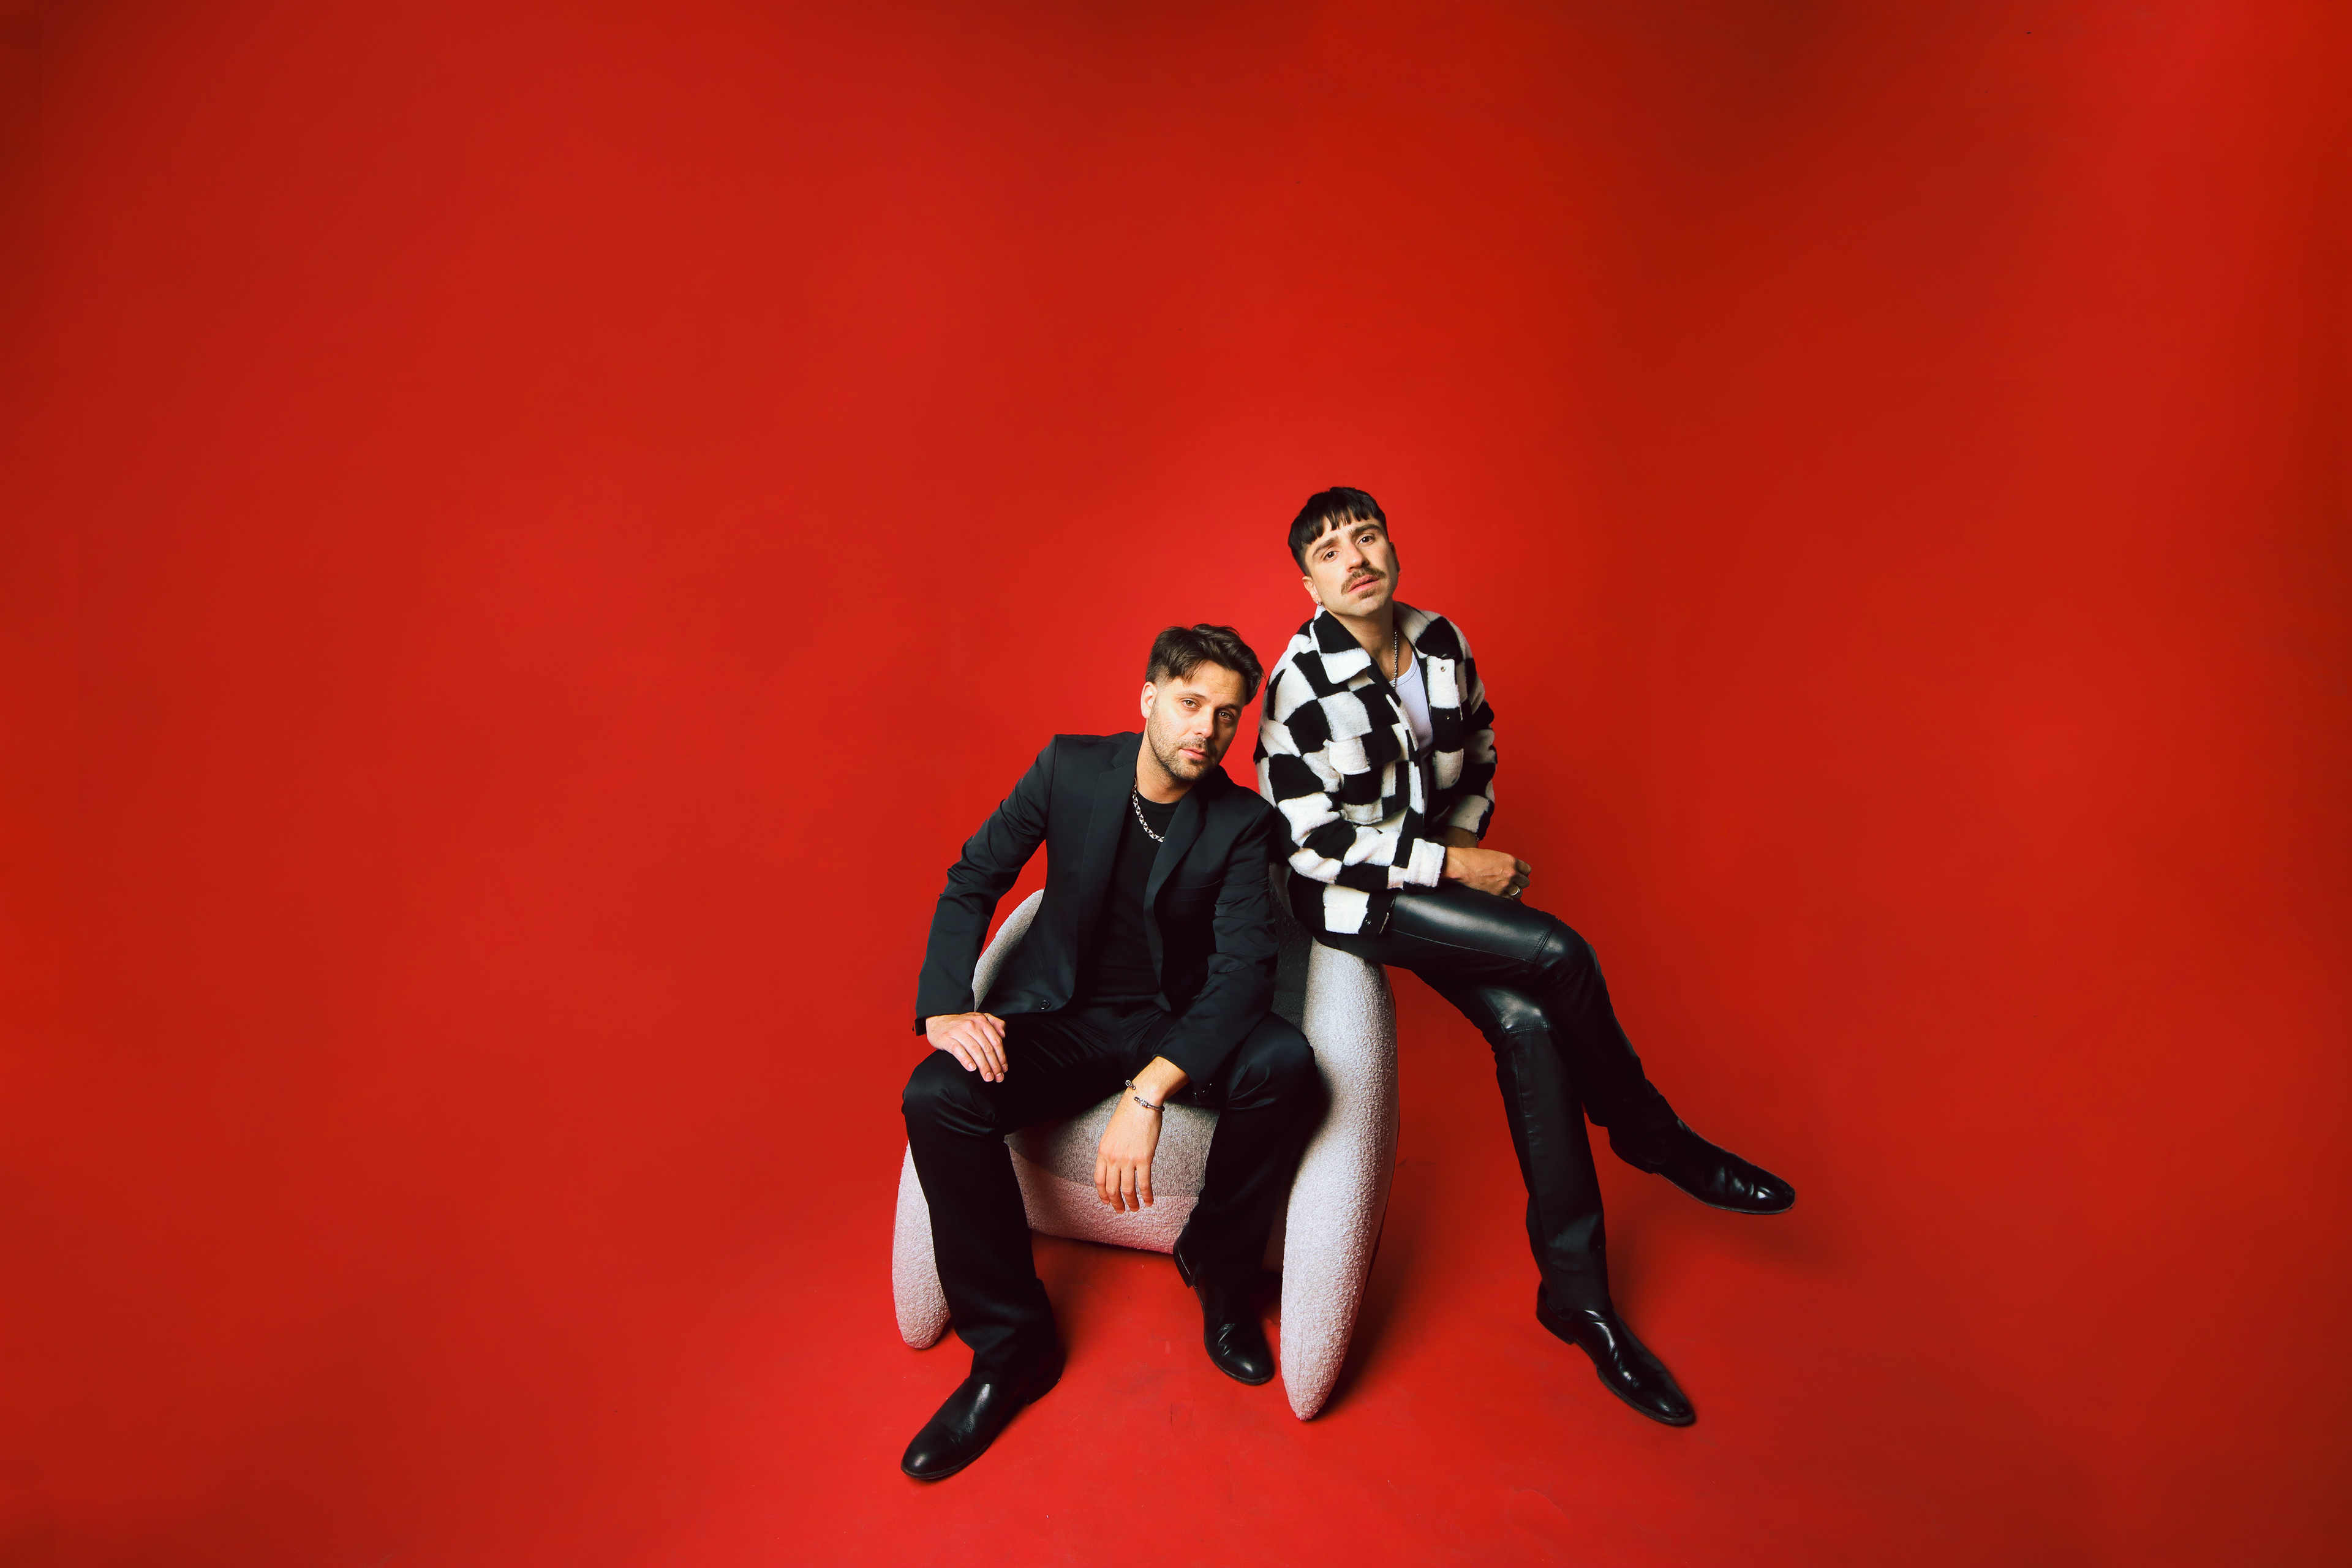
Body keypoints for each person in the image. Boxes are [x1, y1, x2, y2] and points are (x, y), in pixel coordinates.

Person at [1253, 487, 1795, 1427]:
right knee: (1557, 951)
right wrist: (1451, 866)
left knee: (1533, 1029)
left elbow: (1481, 744)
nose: (1355, 558)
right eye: (1330, 551)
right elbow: (1312, 842)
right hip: (1347, 900)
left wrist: (1460, 842)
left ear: (1392, 546)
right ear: (1309, 584)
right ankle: (1650, 1134)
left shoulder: (1439, 641)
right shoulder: (1300, 681)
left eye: (1366, 536)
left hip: (1430, 879)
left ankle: (1577, 1298)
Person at [900, 624, 1320, 1480]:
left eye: (1227, 715)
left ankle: (1220, 1270)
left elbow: (1245, 971)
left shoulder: (1243, 822)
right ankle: (1012, 1348)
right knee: (936, 1095)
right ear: (1149, 697)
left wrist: (1149, 1092)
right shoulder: (1068, 768)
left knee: (1285, 1065)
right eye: (1191, 703)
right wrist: (945, 1005)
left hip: (1175, 1022)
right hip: (1059, 1015)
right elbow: (976, 877)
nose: (1207, 728)